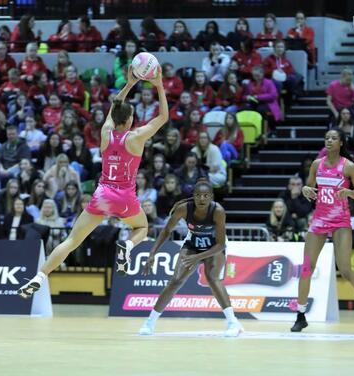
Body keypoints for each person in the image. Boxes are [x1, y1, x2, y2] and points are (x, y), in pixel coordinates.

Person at [17, 65, 168, 298]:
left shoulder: (106, 133)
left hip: (102, 196)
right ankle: (127, 247)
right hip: (125, 197)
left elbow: (113, 109)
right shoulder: (137, 136)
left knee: (72, 240)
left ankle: (40, 275)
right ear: (129, 120)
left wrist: (129, 84)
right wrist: (158, 85)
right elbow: (163, 117)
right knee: (142, 227)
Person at [291, 128, 354, 332]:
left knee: (345, 269)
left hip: (341, 221)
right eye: (327, 138)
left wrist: (349, 192)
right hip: (319, 220)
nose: (329, 141)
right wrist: (306, 190)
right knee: (306, 267)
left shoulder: (349, 167)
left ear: (341, 143)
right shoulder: (317, 164)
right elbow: (310, 190)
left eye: (334, 138)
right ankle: (300, 315)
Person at [139, 180, 243, 336]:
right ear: (193, 196)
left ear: (211, 197)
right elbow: (167, 230)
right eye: (198, 195)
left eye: (206, 196)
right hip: (192, 244)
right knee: (176, 280)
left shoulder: (218, 211)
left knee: (212, 278)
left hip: (214, 246)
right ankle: (149, 323)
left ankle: (233, 323)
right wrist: (152, 253)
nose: (202, 199)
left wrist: (198, 258)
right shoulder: (183, 209)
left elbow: (221, 245)